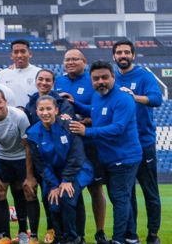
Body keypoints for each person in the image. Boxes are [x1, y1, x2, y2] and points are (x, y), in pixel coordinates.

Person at [69, 60, 143, 244]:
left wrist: (87, 131)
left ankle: (118, 239)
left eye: (104, 77)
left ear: (113, 77)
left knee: (119, 198)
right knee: (121, 198)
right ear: (91, 81)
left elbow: (117, 128)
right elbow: (94, 111)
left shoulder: (123, 99)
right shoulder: (98, 96)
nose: (100, 81)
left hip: (124, 158)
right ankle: (131, 237)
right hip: (109, 158)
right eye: (96, 79)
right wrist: (74, 103)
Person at [112, 40, 163, 244]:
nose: (122, 55)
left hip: (143, 142)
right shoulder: (112, 78)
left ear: (133, 55)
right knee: (126, 194)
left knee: (150, 191)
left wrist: (134, 97)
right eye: (119, 52)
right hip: (121, 145)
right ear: (114, 56)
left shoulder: (144, 75)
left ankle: (153, 234)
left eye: (126, 52)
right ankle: (130, 234)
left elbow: (157, 99)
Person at [55, 49, 107, 244]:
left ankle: (100, 231)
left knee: (95, 189)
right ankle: (76, 234)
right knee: (71, 191)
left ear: (84, 61)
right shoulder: (59, 82)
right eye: (67, 59)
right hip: (68, 146)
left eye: (75, 59)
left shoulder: (93, 80)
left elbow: (101, 110)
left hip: (91, 143)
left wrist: (86, 121)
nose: (70, 62)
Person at [26, 95, 93, 244]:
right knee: (52, 200)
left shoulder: (68, 125)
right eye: (41, 109)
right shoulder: (33, 133)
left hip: (78, 169)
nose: (45, 112)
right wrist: (54, 185)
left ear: (56, 110)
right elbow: (40, 164)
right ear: (37, 111)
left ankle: (73, 238)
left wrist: (67, 179)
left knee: (67, 197)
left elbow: (76, 155)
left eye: (48, 108)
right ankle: (60, 237)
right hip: (53, 175)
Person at [0, 88, 38, 244]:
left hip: (21, 158)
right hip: (1, 158)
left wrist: (30, 176)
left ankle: (25, 233)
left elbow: (28, 146)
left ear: (5, 101)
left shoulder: (19, 116)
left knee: (26, 191)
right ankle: (5, 236)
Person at [0, 39, 41, 107]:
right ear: (11, 56)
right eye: (16, 52)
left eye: (23, 51)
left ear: (30, 54)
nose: (19, 55)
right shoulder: (2, 75)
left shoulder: (39, 73)